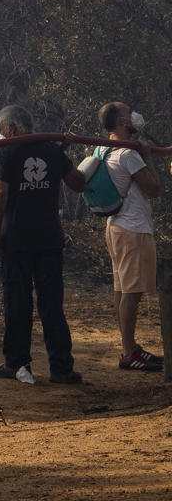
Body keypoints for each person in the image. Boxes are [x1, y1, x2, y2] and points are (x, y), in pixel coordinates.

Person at [0, 104, 85, 384]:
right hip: (48, 241)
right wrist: (61, 157)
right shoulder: (51, 149)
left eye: (1, 129)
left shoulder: (9, 150)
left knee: (17, 304)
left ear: (10, 128)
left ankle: (17, 364)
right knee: (52, 305)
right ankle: (62, 368)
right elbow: (77, 184)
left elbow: (0, 194)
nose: (0, 134)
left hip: (17, 240)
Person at [85, 102, 163, 371]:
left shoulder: (100, 148)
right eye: (129, 113)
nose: (134, 116)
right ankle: (129, 353)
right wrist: (148, 157)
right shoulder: (128, 154)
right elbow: (153, 189)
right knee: (132, 293)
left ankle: (129, 349)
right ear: (120, 121)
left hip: (115, 227)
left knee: (122, 290)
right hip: (133, 229)